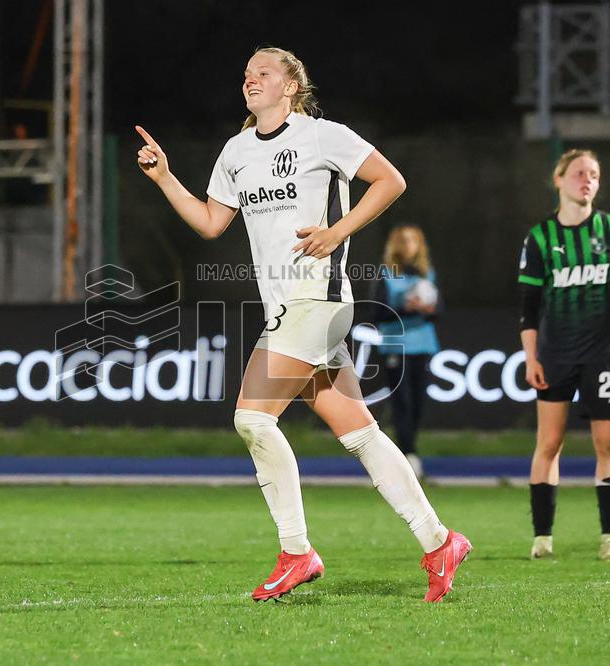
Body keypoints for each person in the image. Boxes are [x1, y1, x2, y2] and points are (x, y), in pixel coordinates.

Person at [135, 46, 471, 602]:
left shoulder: (321, 135)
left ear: (291, 86)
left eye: (264, 72)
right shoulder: (237, 151)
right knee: (360, 433)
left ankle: (296, 551)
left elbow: (390, 181)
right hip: (288, 310)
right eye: (246, 73)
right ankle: (440, 542)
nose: (251, 78)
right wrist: (167, 179)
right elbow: (212, 223)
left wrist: (338, 233)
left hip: (319, 299)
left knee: (251, 418)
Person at [517, 148, 610, 561]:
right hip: (554, 353)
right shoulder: (540, 238)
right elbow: (529, 308)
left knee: (607, 443)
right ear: (558, 180)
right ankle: (542, 538)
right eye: (577, 173)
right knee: (549, 442)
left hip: (603, 354)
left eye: (593, 174)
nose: (586, 180)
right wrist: (531, 357)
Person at [372, 225, 441, 478]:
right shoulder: (387, 274)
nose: (408, 245)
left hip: (422, 345)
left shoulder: (427, 275)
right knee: (401, 401)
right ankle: (408, 456)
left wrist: (427, 308)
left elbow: (438, 311)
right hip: (395, 345)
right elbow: (377, 313)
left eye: (413, 240)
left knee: (418, 403)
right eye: (404, 240)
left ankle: (407, 453)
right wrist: (406, 307)